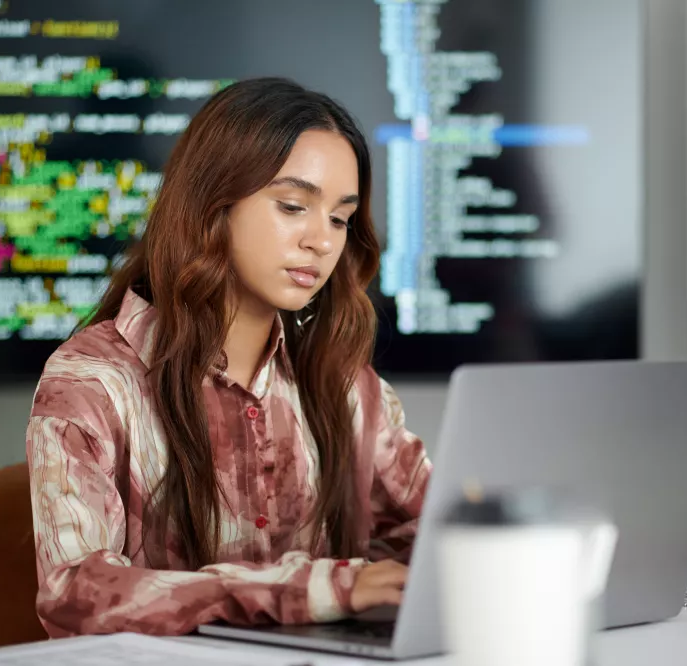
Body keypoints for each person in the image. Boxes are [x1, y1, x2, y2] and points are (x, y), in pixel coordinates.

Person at [25, 77, 431, 638]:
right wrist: (314, 590)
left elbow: (434, 530)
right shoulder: (92, 381)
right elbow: (77, 594)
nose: (322, 240)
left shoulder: (340, 382)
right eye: (293, 206)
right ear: (213, 203)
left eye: (339, 218)